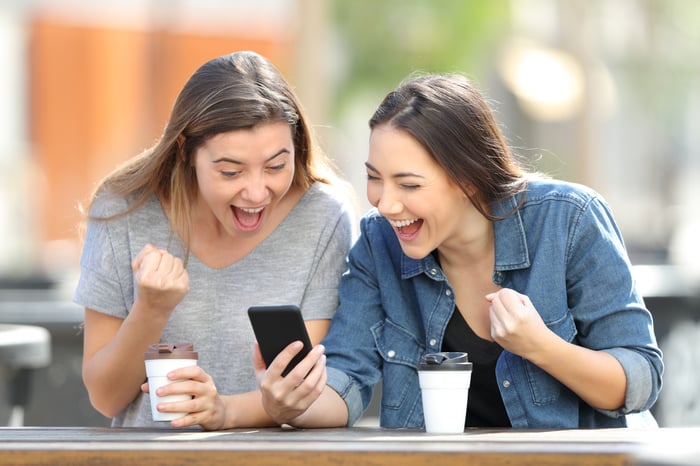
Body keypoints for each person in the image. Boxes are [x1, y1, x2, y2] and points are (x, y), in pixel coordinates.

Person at [257, 73, 664, 429]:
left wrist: (541, 346)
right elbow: (346, 380)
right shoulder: (378, 245)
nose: (385, 203)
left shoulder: (570, 221)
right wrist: (291, 404)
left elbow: (640, 379)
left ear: (469, 178)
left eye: (409, 185)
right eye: (374, 178)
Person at [74, 50, 356, 430]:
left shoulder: (322, 217)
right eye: (230, 170)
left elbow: (300, 388)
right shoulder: (122, 211)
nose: (257, 193)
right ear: (185, 152)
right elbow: (105, 398)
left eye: (276, 166)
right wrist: (151, 310)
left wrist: (222, 410)